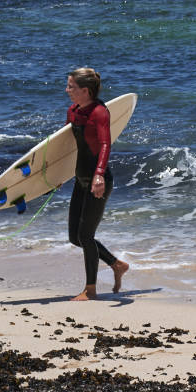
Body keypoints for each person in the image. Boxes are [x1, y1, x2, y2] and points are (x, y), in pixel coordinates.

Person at [64, 67, 128, 300]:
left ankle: (90, 290)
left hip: (97, 181)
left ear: (85, 90)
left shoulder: (100, 112)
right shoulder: (73, 111)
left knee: (86, 235)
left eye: (71, 86)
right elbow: (67, 148)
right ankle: (116, 264)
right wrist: (55, 176)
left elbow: (104, 144)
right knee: (75, 236)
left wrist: (99, 174)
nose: (67, 90)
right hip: (80, 179)